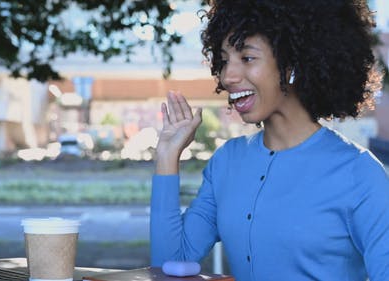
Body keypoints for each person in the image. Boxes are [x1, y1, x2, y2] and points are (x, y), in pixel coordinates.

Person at [149, 0, 389, 280]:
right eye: (225, 60)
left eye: (247, 58)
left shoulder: (358, 173)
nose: (228, 76)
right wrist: (167, 156)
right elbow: (170, 265)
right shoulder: (227, 162)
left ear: (293, 65)